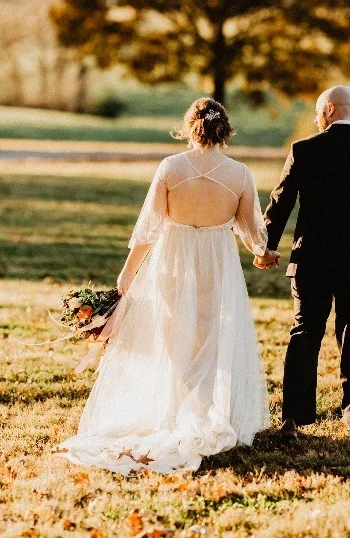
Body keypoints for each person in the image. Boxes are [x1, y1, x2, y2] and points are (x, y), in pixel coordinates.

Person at [56, 98, 270, 473]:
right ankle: (199, 413)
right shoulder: (239, 174)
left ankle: (174, 412)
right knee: (208, 337)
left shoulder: (171, 168)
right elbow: (253, 232)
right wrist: (264, 253)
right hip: (217, 265)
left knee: (173, 338)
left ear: (190, 127)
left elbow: (148, 230)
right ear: (225, 130)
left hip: (174, 261)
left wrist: (126, 278)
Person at [255, 85, 350, 442]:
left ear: (329, 109)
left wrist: (265, 247)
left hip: (312, 260)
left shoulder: (304, 150)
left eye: (319, 113)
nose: (317, 120)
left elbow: (280, 202)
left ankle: (294, 419)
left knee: (304, 333)